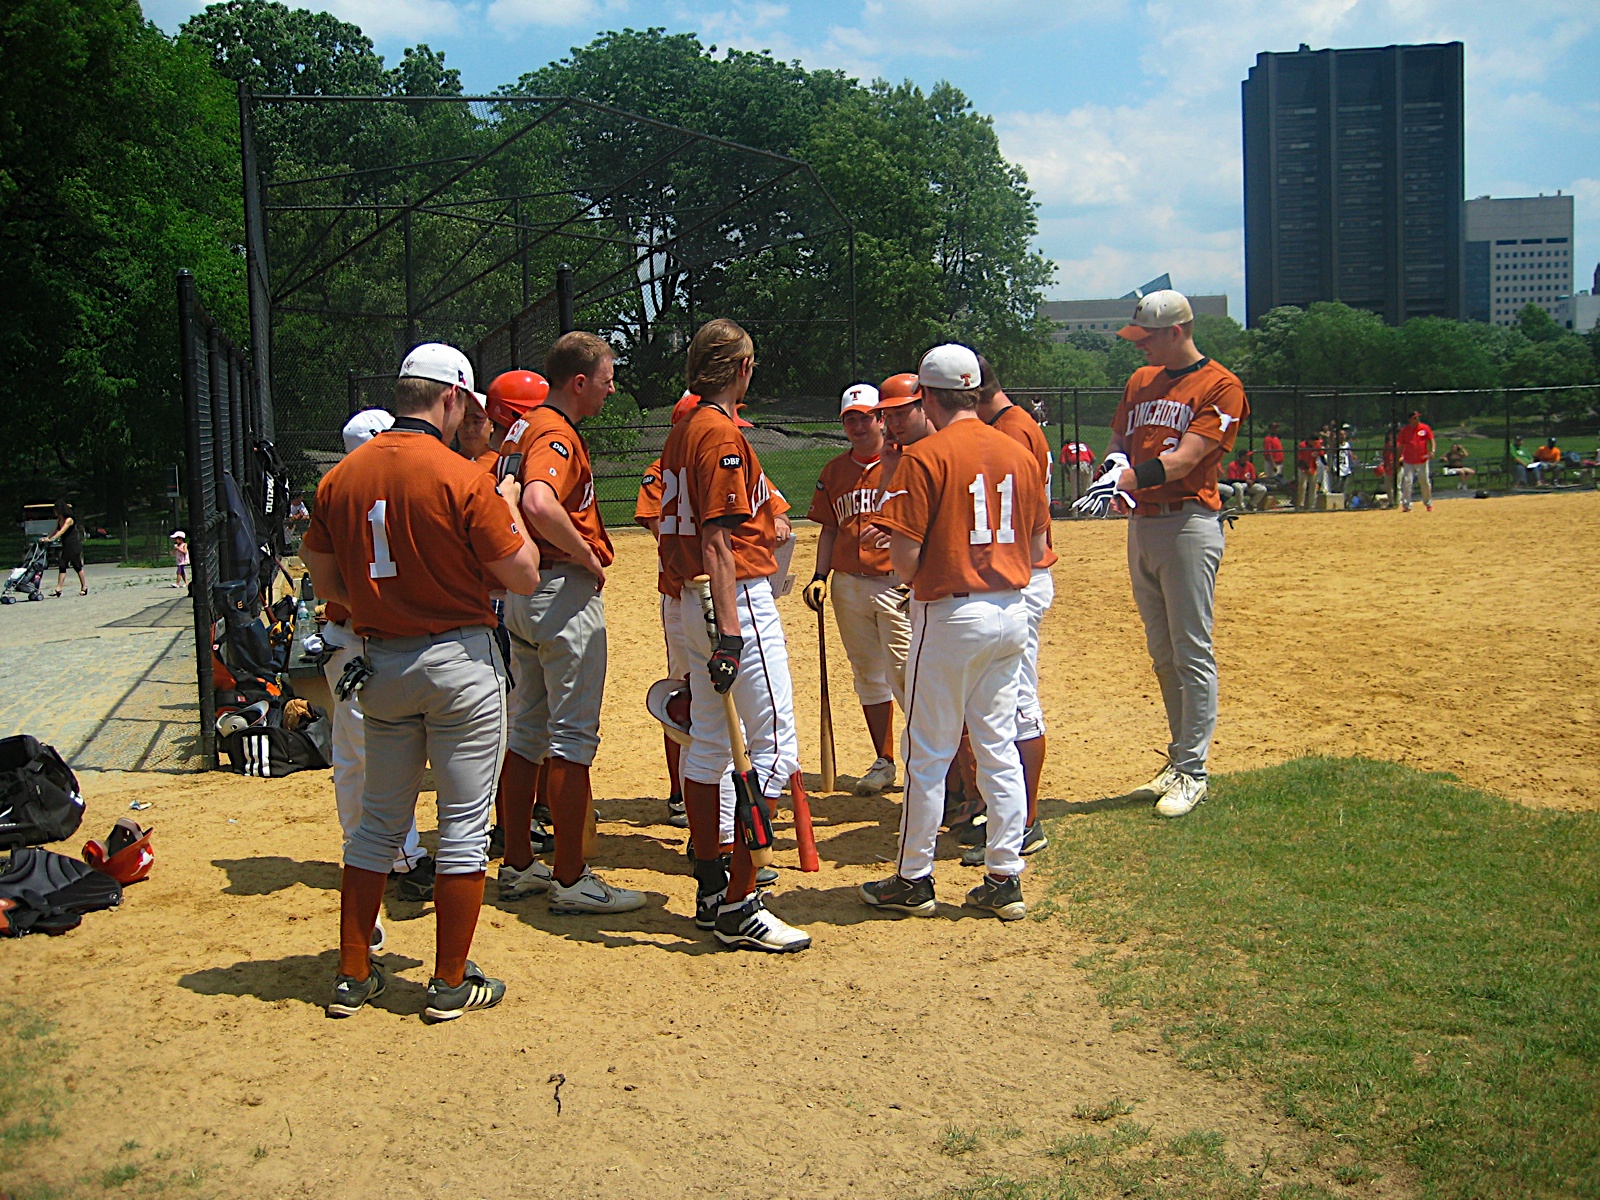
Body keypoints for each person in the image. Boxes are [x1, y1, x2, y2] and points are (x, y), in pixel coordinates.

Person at [301, 342, 541, 1022]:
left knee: (377, 823)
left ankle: (353, 974)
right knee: (463, 827)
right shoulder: (463, 476)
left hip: (381, 661)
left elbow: (324, 579)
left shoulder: (341, 477)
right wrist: (509, 502)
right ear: (450, 398)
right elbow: (521, 574)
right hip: (459, 662)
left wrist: (380, 605)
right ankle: (448, 982)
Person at [858, 343, 1048, 921]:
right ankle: (1004, 876)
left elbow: (907, 562)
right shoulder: (1016, 448)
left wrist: (934, 558)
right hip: (1012, 608)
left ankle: (914, 878)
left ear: (930, 397)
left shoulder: (925, 456)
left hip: (950, 614)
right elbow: (1039, 549)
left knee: (927, 753)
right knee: (996, 746)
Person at [657, 318, 810, 952]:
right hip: (731, 597)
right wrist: (729, 633)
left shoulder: (683, 428)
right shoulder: (718, 430)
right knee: (776, 749)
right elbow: (719, 541)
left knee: (710, 746)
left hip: (693, 597)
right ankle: (742, 902)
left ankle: (711, 884)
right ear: (741, 368)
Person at [1072, 289, 1248, 819]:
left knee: (1191, 649)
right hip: (1143, 525)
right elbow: (1120, 436)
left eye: (1147, 338)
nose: (1140, 347)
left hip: (1189, 523)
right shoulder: (1140, 381)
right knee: (1162, 651)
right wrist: (1111, 468)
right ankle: (1178, 759)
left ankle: (1194, 771)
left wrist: (1125, 478)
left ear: (1177, 332)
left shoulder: (1221, 385)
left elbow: (1185, 459)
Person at [492, 332, 643, 915]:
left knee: (525, 732)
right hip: (559, 588)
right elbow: (537, 503)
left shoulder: (522, 427)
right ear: (578, 381)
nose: (611, 387)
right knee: (571, 739)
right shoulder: (554, 429)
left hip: (524, 592)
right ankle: (572, 877)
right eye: (605, 377)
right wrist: (585, 553)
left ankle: (519, 865)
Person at [317, 409, 436, 949]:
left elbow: (315, 568)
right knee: (384, 756)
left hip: (348, 639)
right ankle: (403, 857)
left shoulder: (336, 490)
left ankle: (381, 852)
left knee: (355, 758)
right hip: (374, 641)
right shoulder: (399, 491)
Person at [803, 384, 910, 796]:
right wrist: (819, 576)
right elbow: (829, 528)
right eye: (851, 419)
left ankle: (929, 759)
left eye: (866, 417)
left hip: (896, 583)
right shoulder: (834, 471)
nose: (858, 425)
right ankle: (884, 760)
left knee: (905, 672)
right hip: (849, 583)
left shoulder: (905, 463)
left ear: (882, 419)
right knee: (867, 673)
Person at [971, 355, 1053, 860]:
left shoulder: (1014, 430)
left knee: (1019, 703)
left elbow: (1020, 519)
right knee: (1002, 702)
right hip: (1013, 575)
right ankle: (1008, 814)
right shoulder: (1008, 424)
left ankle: (1028, 821)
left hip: (1021, 576)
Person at [41, 502, 86, 597]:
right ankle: (58, 588)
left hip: (73, 545)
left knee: (77, 566)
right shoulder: (59, 519)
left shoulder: (69, 519)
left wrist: (53, 539)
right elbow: (54, 530)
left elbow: (62, 531)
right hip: (66, 545)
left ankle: (84, 587)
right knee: (62, 565)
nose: (55, 512)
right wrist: (47, 537)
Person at [1397, 411, 1435, 512]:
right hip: (1409, 460)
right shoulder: (1404, 430)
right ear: (1410, 420)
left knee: (1424, 481)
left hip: (1422, 459)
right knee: (1407, 482)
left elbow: (1431, 440)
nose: (1417, 419)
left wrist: (1432, 451)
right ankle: (1407, 505)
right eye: (1414, 418)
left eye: (1418, 417)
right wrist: (1398, 457)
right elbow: (1400, 444)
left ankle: (1428, 503)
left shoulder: (1425, 427)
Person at [1295, 430, 1324, 511]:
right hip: (1303, 468)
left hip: (1313, 468)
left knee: (1313, 487)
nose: (1316, 443)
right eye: (1314, 442)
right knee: (1303, 486)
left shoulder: (1317, 445)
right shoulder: (1302, 445)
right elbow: (1300, 460)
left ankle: (1311, 506)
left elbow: (1321, 455)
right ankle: (1300, 505)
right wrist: (1307, 469)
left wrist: (1326, 465)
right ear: (1310, 441)